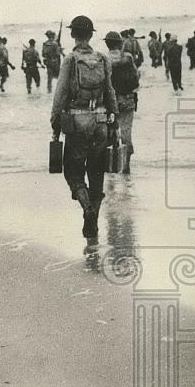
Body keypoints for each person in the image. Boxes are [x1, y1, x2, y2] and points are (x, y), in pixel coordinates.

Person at [50, 15, 118, 238]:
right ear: (90, 35)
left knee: (74, 173)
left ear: (72, 34)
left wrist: (55, 122)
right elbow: (109, 91)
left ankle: (87, 208)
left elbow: (60, 94)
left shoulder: (70, 59)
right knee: (97, 173)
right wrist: (114, 117)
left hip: (78, 123)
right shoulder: (102, 59)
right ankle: (94, 221)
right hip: (100, 122)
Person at [105, 31, 139, 174]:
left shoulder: (104, 59)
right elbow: (136, 78)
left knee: (110, 133)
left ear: (107, 44)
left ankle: (111, 168)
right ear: (120, 43)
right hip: (127, 100)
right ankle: (126, 166)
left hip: (109, 102)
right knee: (126, 133)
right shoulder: (128, 57)